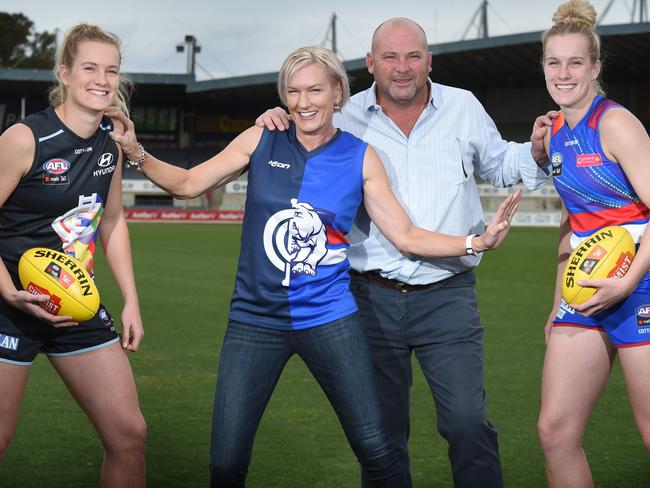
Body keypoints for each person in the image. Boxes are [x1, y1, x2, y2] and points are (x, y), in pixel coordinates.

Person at [108, 45, 520, 487]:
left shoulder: (362, 156)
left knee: (377, 450)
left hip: (330, 319)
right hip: (254, 321)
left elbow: (406, 235)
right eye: (294, 91)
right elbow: (189, 184)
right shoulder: (260, 138)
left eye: (315, 90)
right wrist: (136, 152)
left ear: (338, 92)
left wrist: (475, 240)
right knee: (226, 464)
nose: (304, 102)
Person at [256, 17, 552, 488]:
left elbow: (499, 164)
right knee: (380, 438)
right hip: (366, 299)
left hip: (447, 295)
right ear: (370, 63)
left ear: (429, 60)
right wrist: (272, 120)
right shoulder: (342, 114)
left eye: (413, 56)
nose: (402, 67)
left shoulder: (463, 106)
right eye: (389, 57)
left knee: (467, 423)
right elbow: (296, 138)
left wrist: (535, 152)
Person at [0, 24, 146, 487]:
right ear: (64, 73)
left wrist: (131, 301)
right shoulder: (25, 139)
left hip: (74, 301)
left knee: (129, 435)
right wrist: (8, 291)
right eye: (89, 68)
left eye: (112, 71)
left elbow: (112, 220)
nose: (102, 79)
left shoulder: (112, 143)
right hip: (9, 306)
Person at [537, 1, 650, 486]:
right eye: (553, 62)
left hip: (640, 289)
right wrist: (559, 297)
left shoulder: (615, 124)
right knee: (555, 431)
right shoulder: (554, 133)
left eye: (575, 62)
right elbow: (573, 220)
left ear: (595, 67)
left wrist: (626, 283)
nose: (563, 74)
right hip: (585, 295)